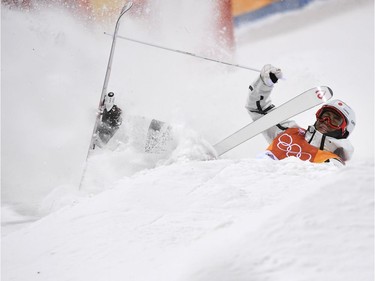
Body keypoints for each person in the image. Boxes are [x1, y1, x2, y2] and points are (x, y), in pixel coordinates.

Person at [245, 64, 356, 166]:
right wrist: (264, 84)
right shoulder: (288, 132)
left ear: (343, 131)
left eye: (335, 121)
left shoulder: (332, 163)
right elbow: (257, 109)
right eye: (324, 115)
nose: (326, 121)